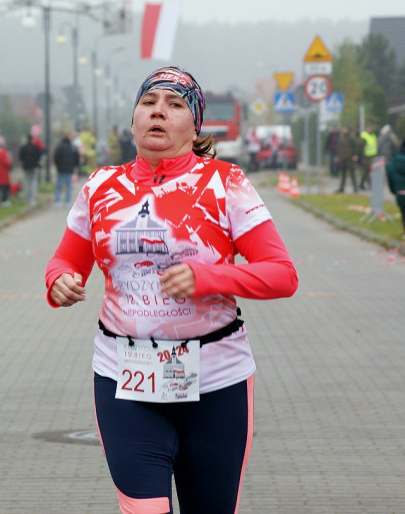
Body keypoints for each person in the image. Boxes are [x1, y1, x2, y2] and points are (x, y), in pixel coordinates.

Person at [44, 66, 297, 514]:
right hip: (126, 378)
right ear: (133, 119)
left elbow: (282, 274)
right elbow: (67, 260)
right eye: (149, 103)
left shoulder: (226, 183)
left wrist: (209, 277)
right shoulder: (101, 186)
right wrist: (59, 281)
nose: (158, 112)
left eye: (175, 105)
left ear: (194, 124)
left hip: (215, 382)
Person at [53, 132, 79, 206]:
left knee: (59, 185)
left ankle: (57, 200)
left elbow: (56, 157)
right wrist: (74, 165)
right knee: (69, 185)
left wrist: (58, 166)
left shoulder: (59, 146)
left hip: (61, 168)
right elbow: (76, 157)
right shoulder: (72, 146)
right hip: (69, 168)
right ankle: (67, 201)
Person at [335, 125, 360, 193]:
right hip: (343, 158)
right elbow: (339, 147)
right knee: (343, 174)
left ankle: (355, 188)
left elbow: (356, 146)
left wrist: (355, 155)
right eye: (344, 129)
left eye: (345, 129)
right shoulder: (341, 137)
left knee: (352, 173)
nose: (344, 130)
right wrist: (338, 156)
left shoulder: (352, 137)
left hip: (350, 158)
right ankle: (341, 188)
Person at [18, 134, 41, 206]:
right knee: (33, 182)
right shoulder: (35, 147)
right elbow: (38, 157)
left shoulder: (23, 147)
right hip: (34, 167)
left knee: (27, 183)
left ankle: (27, 198)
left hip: (26, 167)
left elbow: (20, 158)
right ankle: (32, 198)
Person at [358, 124, 378, 190]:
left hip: (373, 156)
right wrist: (363, 158)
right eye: (369, 128)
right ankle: (369, 185)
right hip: (366, 157)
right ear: (366, 128)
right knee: (367, 170)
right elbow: (361, 148)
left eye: (371, 128)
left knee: (369, 171)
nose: (370, 129)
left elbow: (375, 145)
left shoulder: (373, 136)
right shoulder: (364, 136)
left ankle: (364, 184)